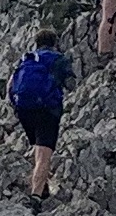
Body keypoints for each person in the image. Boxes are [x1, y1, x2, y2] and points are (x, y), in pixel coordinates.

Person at [7, 28, 74, 199]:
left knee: (38, 148)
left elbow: (10, 84)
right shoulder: (58, 59)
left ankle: (42, 185)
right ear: (55, 43)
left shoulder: (27, 59)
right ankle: (36, 197)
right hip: (46, 111)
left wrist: (16, 106)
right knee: (43, 155)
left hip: (24, 110)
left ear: (36, 43)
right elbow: (71, 84)